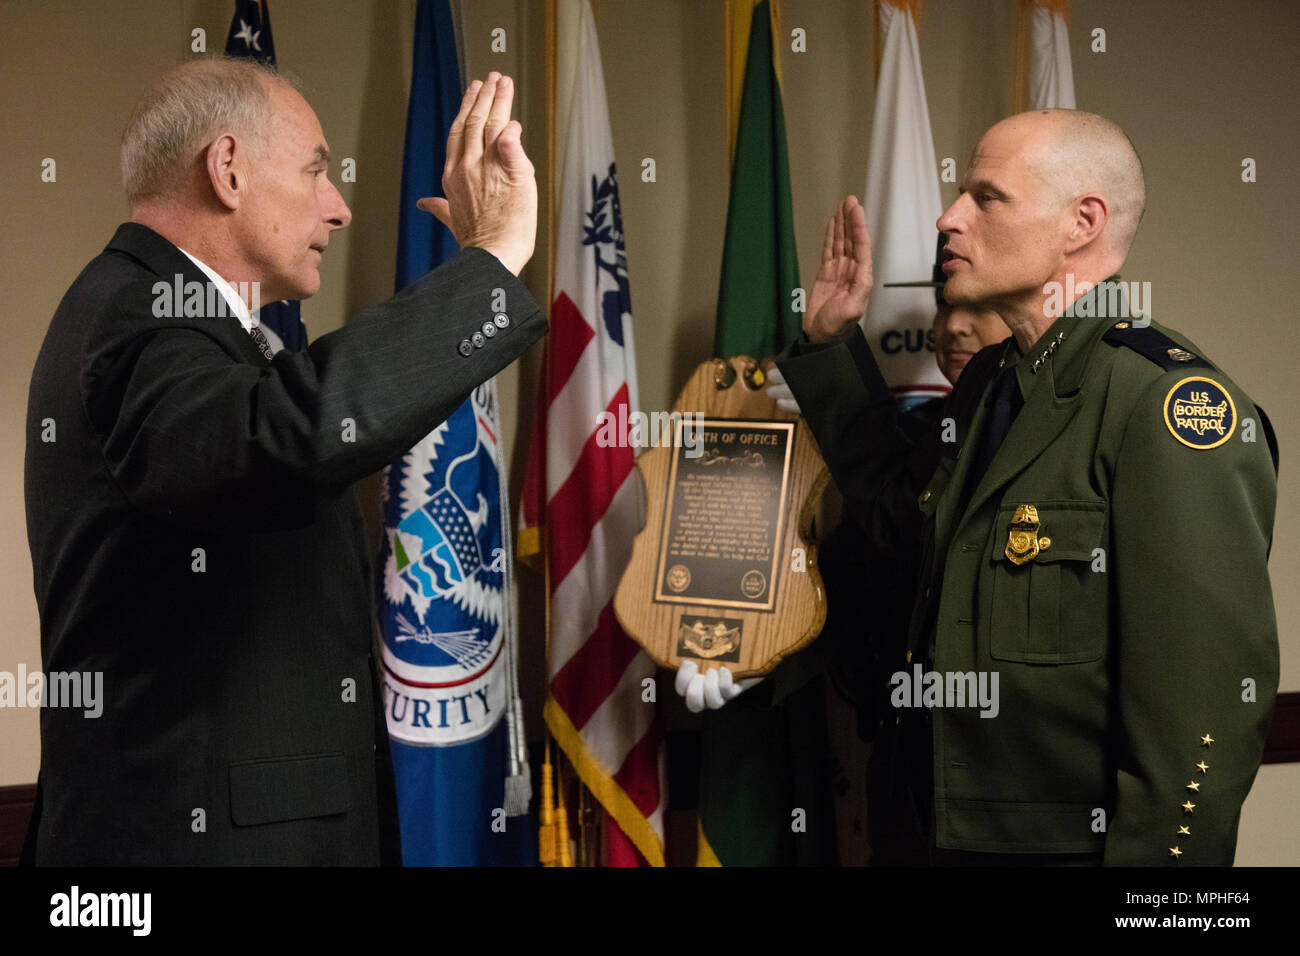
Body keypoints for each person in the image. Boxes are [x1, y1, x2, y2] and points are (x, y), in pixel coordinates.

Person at [23, 59, 544, 865]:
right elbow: (281, 439)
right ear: (227, 169)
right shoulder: (137, 312)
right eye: (316, 169)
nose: (338, 208)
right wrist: (494, 261)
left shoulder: (177, 320)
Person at [779, 109, 1278, 865]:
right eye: (959, 195)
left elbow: (1201, 730)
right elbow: (900, 522)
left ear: (1083, 222)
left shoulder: (1165, 406)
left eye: (987, 197)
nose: (949, 219)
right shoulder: (992, 382)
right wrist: (827, 346)